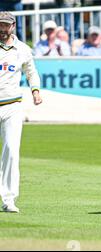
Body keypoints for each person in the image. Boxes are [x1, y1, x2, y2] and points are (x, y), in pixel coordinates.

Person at [0, 11, 42, 213]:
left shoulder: (23, 49)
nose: (2, 29)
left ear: (13, 26)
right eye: (0, 25)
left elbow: (31, 72)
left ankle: (8, 199)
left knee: (11, 151)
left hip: (13, 105)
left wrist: (35, 91)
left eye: (6, 25)